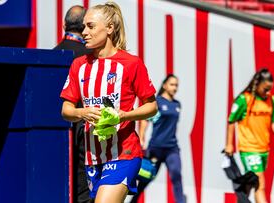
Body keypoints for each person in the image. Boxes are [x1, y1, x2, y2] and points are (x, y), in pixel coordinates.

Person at [60, 2, 158, 202]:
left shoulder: (132, 64)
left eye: (91, 26)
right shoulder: (79, 65)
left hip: (124, 154)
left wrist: (125, 115)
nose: (84, 32)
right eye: (84, 26)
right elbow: (66, 109)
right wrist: (83, 112)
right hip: (92, 157)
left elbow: (151, 106)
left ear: (110, 28)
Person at [225, 68, 274, 203]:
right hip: (249, 149)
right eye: (265, 88)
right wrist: (229, 144)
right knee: (260, 184)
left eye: (270, 89)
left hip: (263, 150)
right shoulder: (244, 99)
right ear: (257, 84)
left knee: (248, 186)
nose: (268, 92)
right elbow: (231, 121)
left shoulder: (271, 100)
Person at [54, 5, 93, 203]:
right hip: (83, 130)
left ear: (63, 25)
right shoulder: (90, 58)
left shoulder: (52, 54)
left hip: (52, 132)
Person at [130, 74, 185, 203]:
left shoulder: (177, 105)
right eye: (172, 84)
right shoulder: (158, 102)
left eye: (176, 85)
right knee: (146, 178)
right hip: (156, 148)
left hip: (172, 148)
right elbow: (146, 120)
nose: (175, 87)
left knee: (176, 174)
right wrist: (142, 138)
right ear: (165, 85)